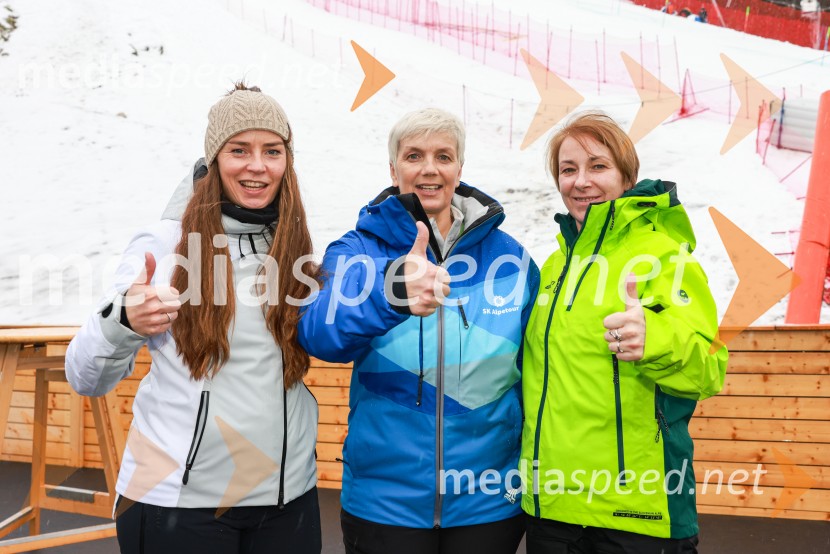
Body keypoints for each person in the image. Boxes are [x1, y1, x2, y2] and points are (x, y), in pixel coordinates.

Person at [65, 83, 322, 553]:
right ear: (214, 159)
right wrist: (122, 318)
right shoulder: (164, 244)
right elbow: (85, 376)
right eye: (239, 149)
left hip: (288, 502)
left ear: (288, 162)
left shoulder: (294, 245)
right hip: (175, 503)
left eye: (273, 151)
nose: (257, 166)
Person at [298, 108, 540, 554]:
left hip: (487, 502)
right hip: (384, 505)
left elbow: (538, 372)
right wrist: (391, 289)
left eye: (443, 156)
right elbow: (318, 332)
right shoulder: (356, 249)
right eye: (414, 156)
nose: (429, 168)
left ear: (459, 169)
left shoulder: (513, 261)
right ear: (394, 170)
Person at [520, 112, 727, 554]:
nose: (581, 182)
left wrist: (655, 338)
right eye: (568, 169)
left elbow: (707, 370)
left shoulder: (665, 256)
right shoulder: (554, 268)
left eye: (598, 166)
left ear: (626, 176)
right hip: (553, 512)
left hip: (638, 516)